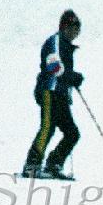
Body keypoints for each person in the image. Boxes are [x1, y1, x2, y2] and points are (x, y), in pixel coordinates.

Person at [22, 9, 84, 179]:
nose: (75, 32)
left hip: (61, 95)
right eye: (72, 28)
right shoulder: (54, 41)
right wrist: (72, 77)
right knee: (47, 127)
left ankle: (54, 164)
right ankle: (32, 164)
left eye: (77, 29)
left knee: (72, 133)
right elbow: (53, 67)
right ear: (64, 27)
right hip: (49, 91)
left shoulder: (67, 46)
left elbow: (63, 72)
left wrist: (72, 80)